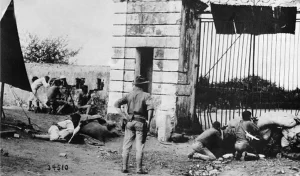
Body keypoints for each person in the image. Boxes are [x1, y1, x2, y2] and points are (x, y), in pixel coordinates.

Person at [114, 75, 154, 174]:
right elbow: (150, 109)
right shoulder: (146, 95)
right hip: (140, 122)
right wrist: (148, 121)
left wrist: (124, 116)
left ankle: (124, 167)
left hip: (129, 122)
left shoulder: (129, 95)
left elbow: (116, 105)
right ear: (142, 85)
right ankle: (139, 169)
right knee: (139, 147)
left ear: (135, 85)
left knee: (126, 146)